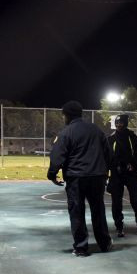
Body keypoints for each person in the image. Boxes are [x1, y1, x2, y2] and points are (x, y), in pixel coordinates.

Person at [47, 100, 113, 257]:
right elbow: (108, 153)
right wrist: (106, 172)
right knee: (98, 210)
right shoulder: (96, 130)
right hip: (97, 176)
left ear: (67, 115)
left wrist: (52, 174)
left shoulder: (66, 132)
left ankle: (81, 247)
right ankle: (104, 243)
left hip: (76, 177)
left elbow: (57, 156)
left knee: (77, 211)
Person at [107, 114, 137, 237]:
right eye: (117, 123)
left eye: (121, 123)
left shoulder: (133, 138)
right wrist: (105, 175)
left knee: (136, 201)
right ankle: (119, 227)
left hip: (132, 174)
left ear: (125, 123)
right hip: (116, 175)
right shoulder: (111, 139)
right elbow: (106, 158)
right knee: (116, 203)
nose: (119, 125)